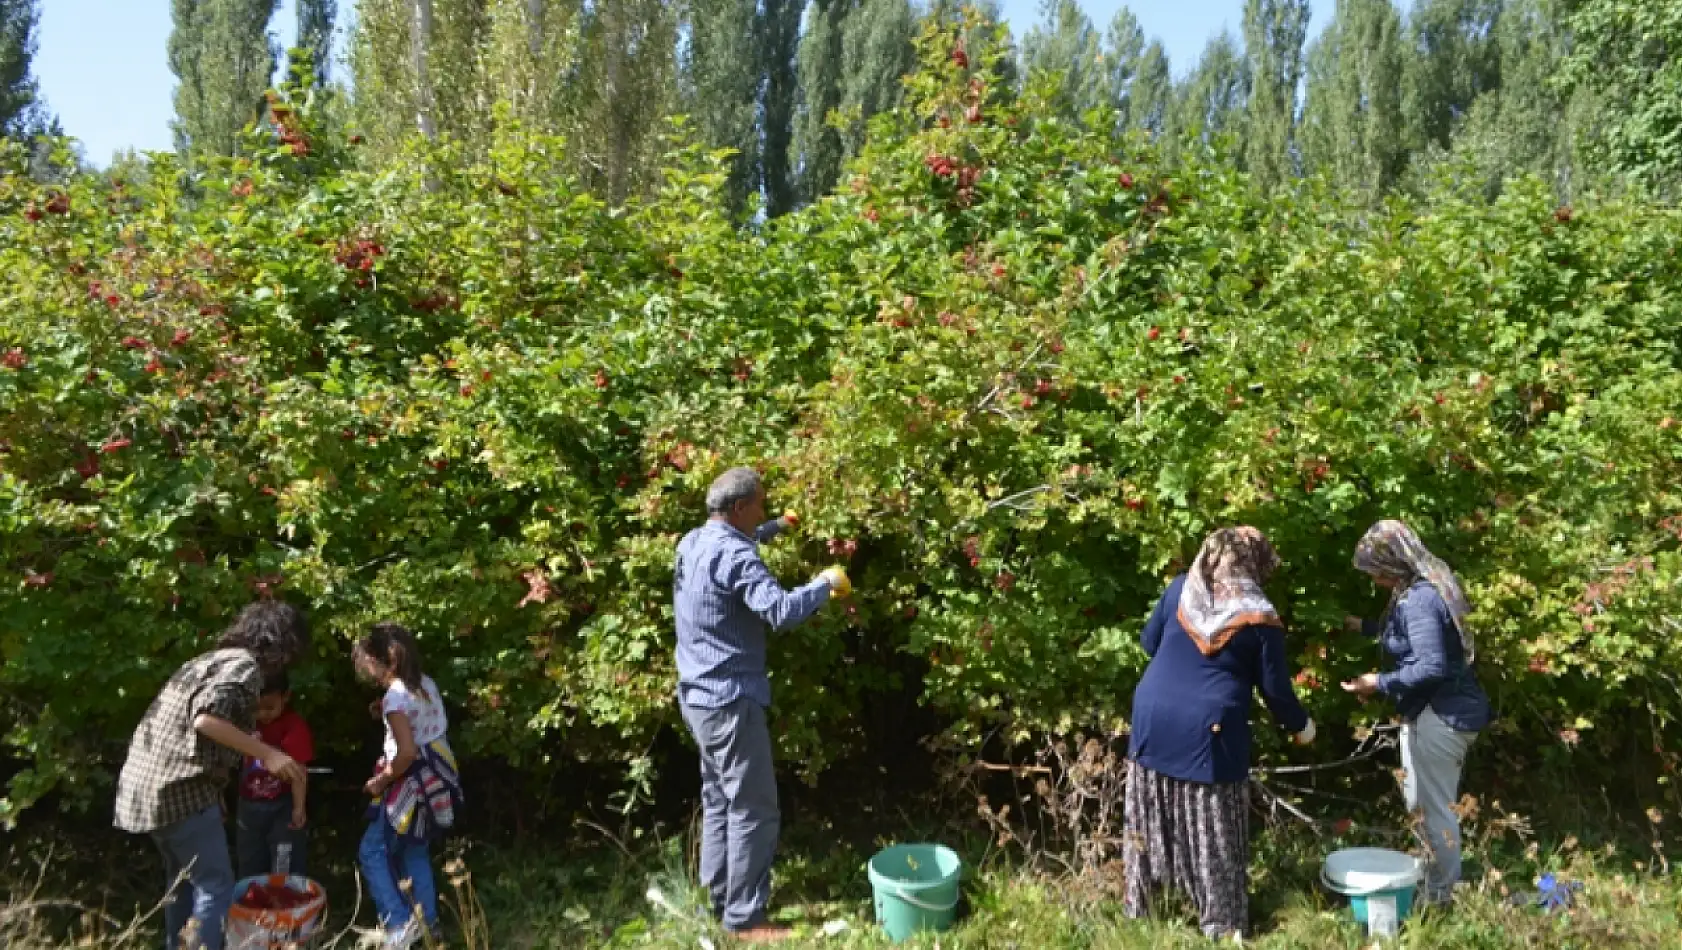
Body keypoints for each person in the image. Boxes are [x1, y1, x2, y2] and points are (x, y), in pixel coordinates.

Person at [673, 466, 850, 943]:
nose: (765, 511)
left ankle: (718, 896)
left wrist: (777, 528)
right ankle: (745, 919)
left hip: (697, 697)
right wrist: (825, 584)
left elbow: (737, 549)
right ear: (739, 508)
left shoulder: (692, 542)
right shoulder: (735, 555)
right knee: (753, 807)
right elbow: (781, 612)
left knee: (718, 798)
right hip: (731, 701)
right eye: (761, 507)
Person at [1123, 527, 1315, 942]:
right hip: (1209, 730)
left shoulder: (1179, 591)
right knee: (1213, 827)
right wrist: (1303, 727)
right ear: (1256, 562)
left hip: (1152, 716)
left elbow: (1148, 642)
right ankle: (1221, 923)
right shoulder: (1259, 617)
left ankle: (1148, 907)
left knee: (1152, 814)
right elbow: (1277, 691)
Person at [114, 600, 312, 950]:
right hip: (176, 792)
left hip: (144, 789)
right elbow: (205, 720)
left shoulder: (209, 661)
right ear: (282, 646)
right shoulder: (244, 667)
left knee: (183, 883)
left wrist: (214, 791)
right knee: (216, 885)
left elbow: (193, 738)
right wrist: (268, 753)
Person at [1341, 519, 1492, 907]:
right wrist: (1367, 627)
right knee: (1420, 806)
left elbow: (1431, 665)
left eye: (1375, 568)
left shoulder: (1419, 599)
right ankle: (1431, 882)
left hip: (1443, 715)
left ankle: (1440, 897)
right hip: (1439, 711)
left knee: (1434, 810)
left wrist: (1377, 682)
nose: (1373, 577)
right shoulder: (1421, 587)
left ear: (1393, 563)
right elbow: (1411, 635)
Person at [354, 622, 462, 949]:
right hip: (436, 779)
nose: (365, 668)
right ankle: (429, 925)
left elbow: (407, 752)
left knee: (372, 851)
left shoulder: (395, 700)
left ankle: (400, 926)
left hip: (410, 782)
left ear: (381, 661)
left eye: (366, 661)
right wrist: (384, 712)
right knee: (415, 850)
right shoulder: (424, 685)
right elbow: (420, 726)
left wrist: (380, 781)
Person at [235, 672, 315, 879]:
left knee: (284, 859)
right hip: (248, 805)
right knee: (249, 860)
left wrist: (299, 807)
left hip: (282, 805)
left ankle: (285, 904)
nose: (263, 714)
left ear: (285, 697)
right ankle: (252, 905)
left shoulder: (293, 727)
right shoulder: (244, 726)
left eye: (269, 707)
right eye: (257, 708)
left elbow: (299, 772)